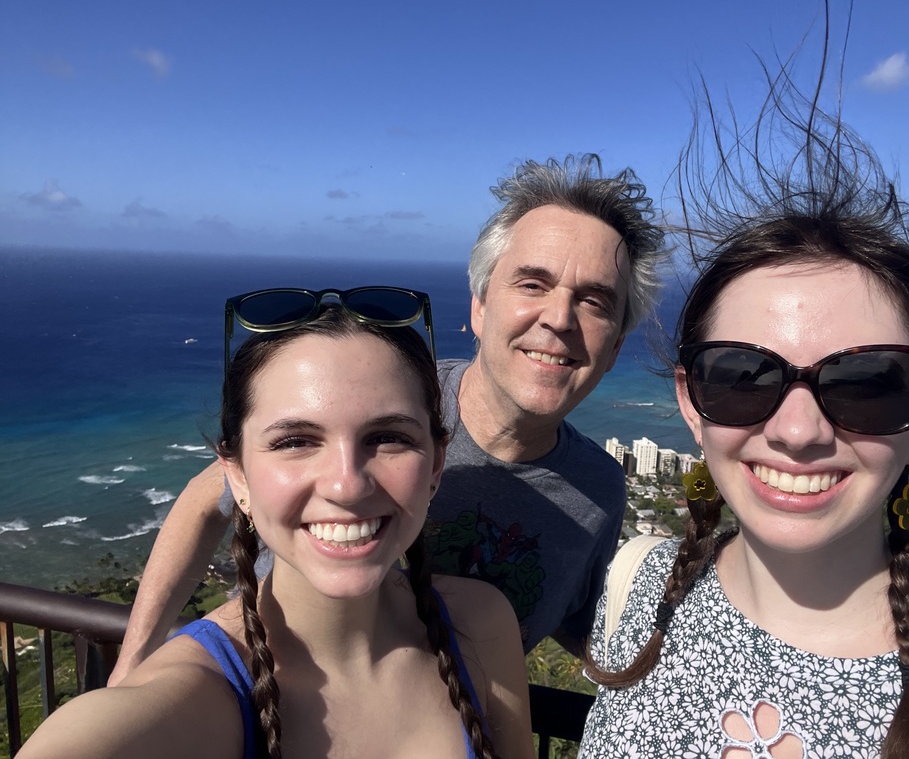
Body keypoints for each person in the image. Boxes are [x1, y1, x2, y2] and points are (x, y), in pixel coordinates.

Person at [578, 54, 909, 758]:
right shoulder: (638, 587)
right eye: (742, 376)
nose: (796, 430)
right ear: (691, 403)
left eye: (866, 383)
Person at [107, 154, 668, 687]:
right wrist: (131, 665)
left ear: (615, 347)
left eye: (595, 302)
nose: (559, 319)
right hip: (274, 704)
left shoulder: (598, 488)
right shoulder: (384, 406)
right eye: (532, 284)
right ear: (479, 307)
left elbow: (577, 620)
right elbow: (206, 499)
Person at [21, 300, 533, 759]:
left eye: (387, 436)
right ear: (237, 477)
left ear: (436, 465)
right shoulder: (197, 691)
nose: (347, 484)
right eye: (295, 442)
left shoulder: (480, 623)